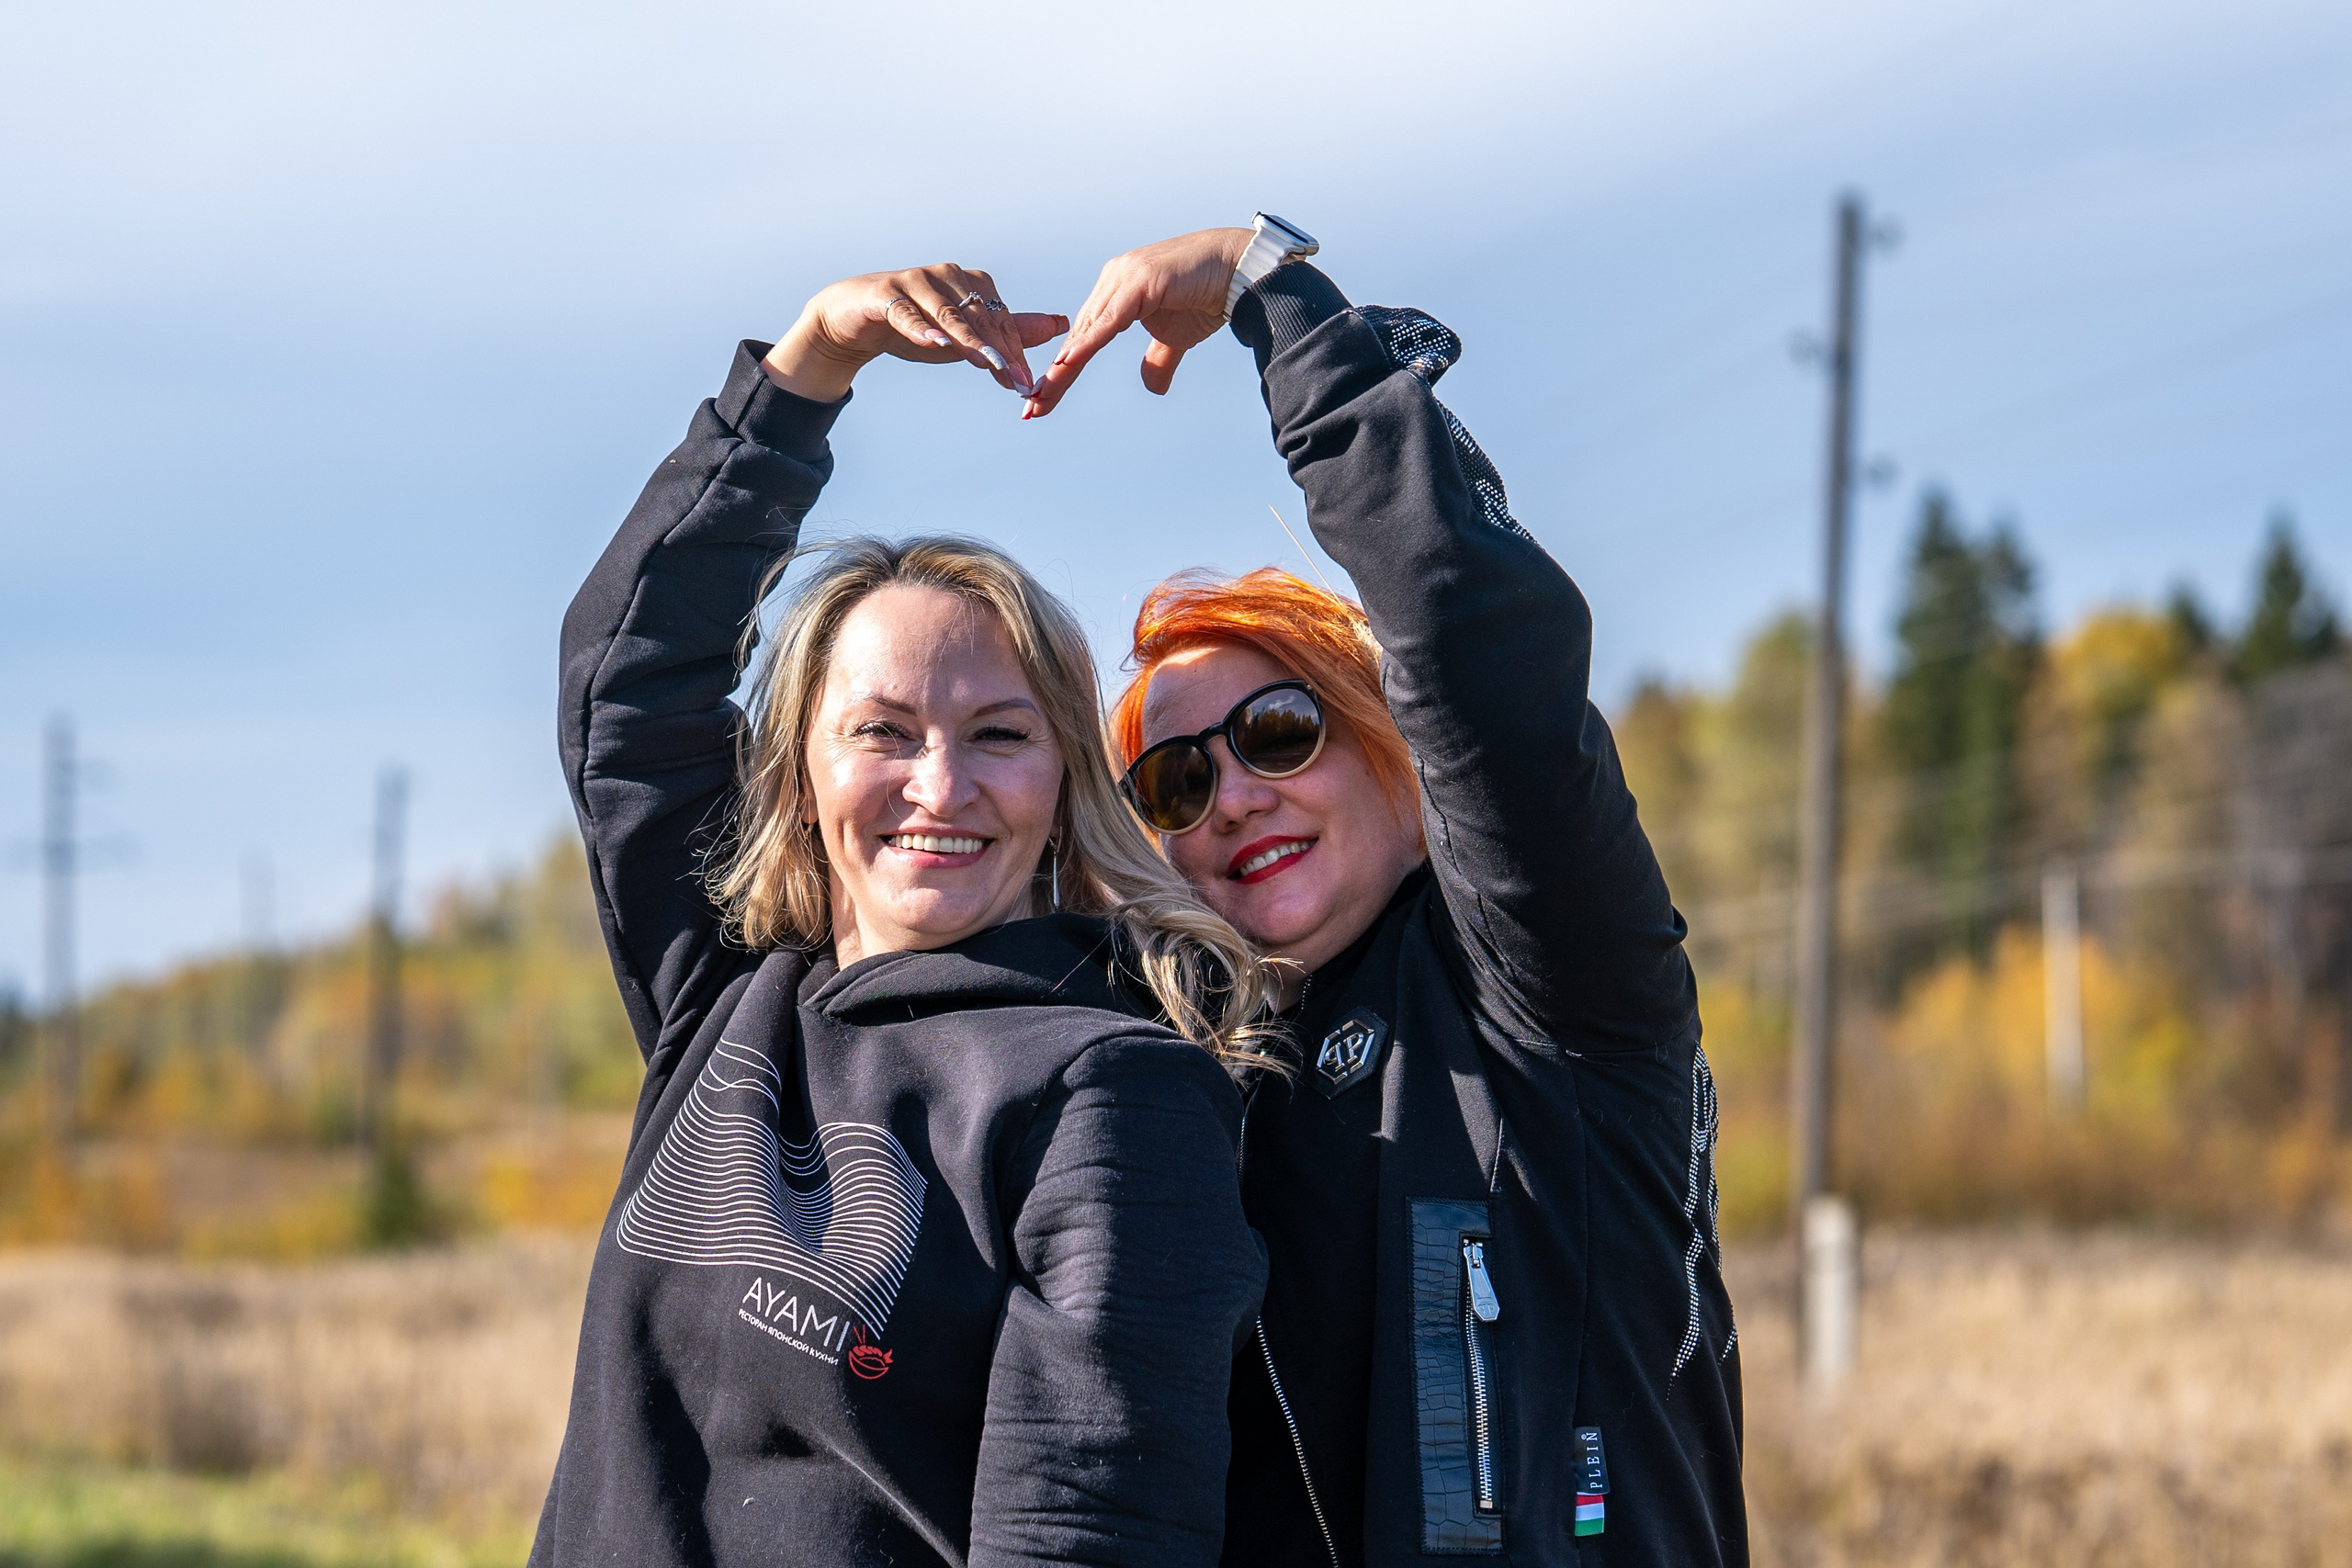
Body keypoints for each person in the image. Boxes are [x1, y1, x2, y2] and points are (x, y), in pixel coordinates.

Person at [1023, 222, 1747, 1566]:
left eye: (1281, 731)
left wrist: (1274, 295)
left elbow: (1477, 642)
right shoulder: (1161, 1086)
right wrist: (798, 390)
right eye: (1174, 785)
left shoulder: (1551, 994)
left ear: (1393, 742)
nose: (1232, 795)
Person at [532, 261, 1273, 1568]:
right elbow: (624, 687)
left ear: (1062, 784)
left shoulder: (1112, 1094)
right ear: (804, 775)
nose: (941, 785)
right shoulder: (733, 995)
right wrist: (808, 370)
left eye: (999, 733)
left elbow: (1082, 1538)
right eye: (883, 730)